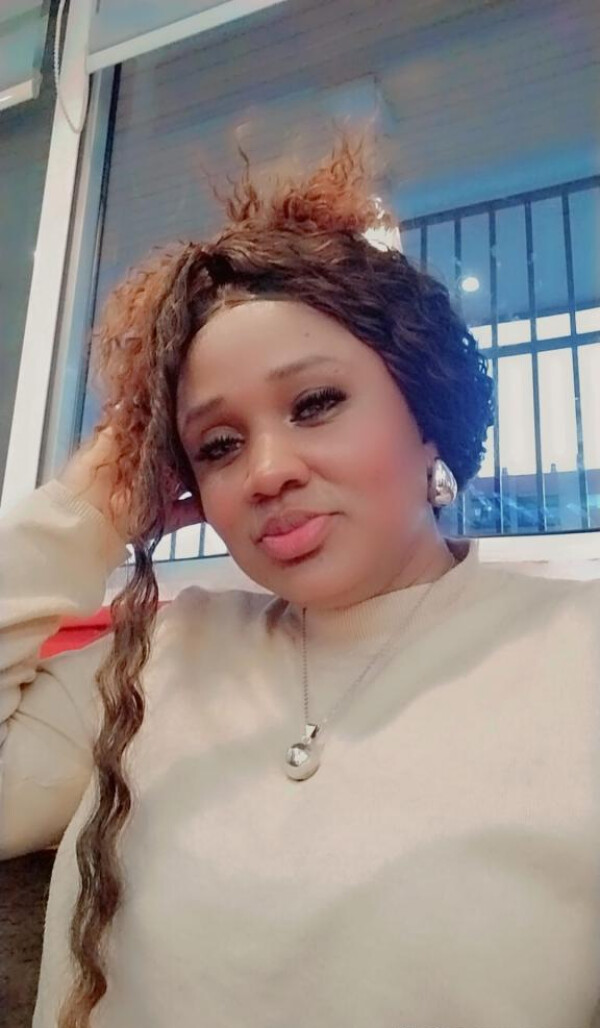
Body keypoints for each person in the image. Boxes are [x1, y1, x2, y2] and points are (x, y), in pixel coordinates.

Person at [0, 136, 599, 1028]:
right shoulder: (158, 656)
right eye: (218, 445)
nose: (267, 470)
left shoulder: (576, 650)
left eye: (316, 403)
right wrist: (86, 510)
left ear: (427, 415)